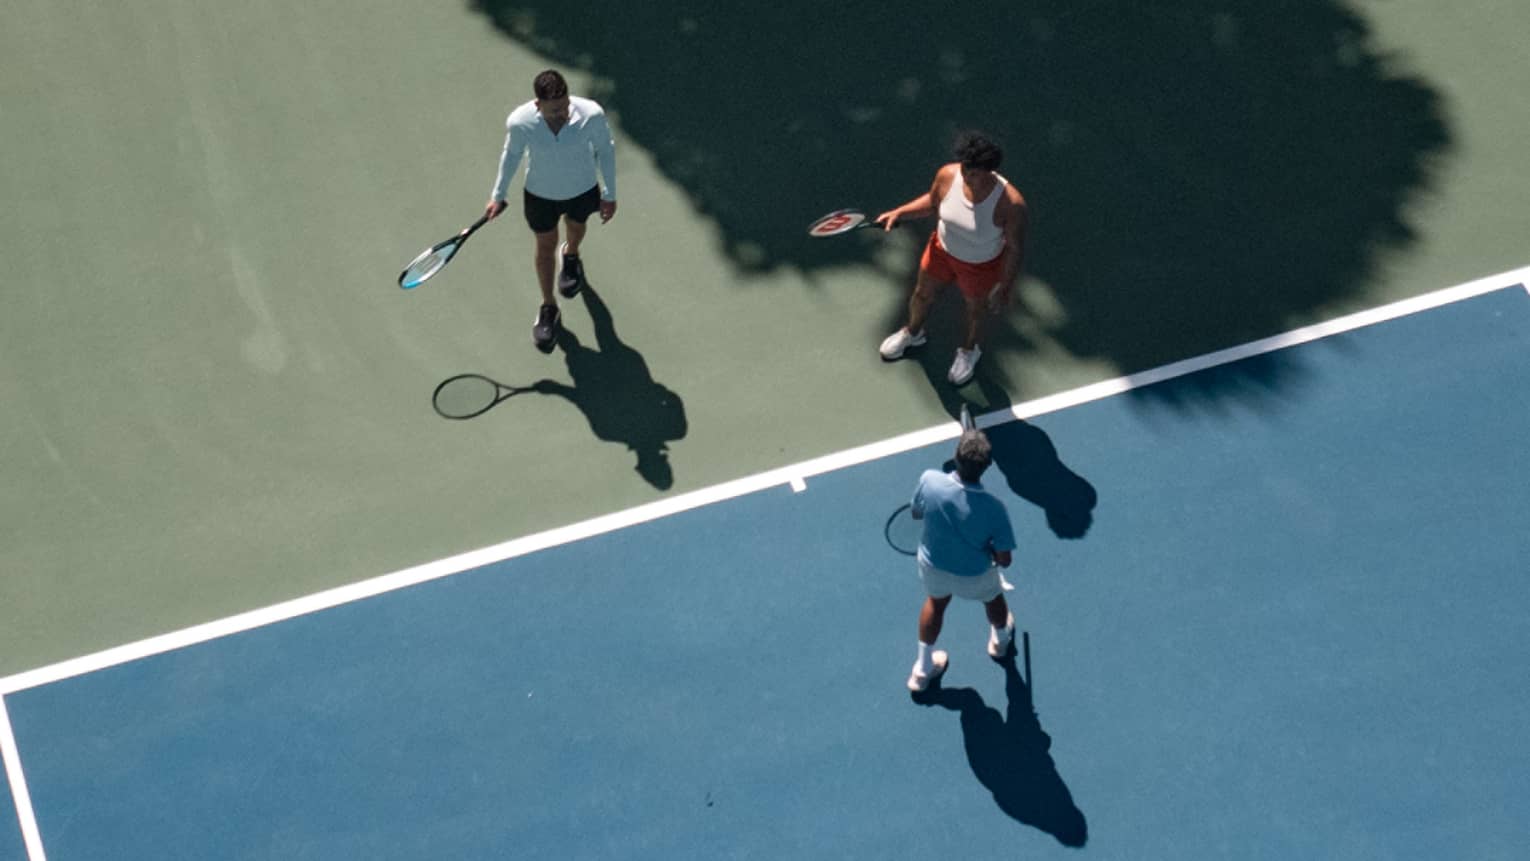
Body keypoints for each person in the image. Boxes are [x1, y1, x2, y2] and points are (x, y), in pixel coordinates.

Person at [876, 132, 1028, 385]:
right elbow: (934, 202)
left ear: (990, 171)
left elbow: (1014, 248)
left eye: (975, 172)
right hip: (940, 251)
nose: (967, 175)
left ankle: (969, 351)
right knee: (921, 294)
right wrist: (900, 212)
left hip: (981, 265)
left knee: (974, 312)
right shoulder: (948, 174)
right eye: (966, 168)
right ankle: (913, 333)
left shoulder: (1011, 204)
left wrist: (1005, 286)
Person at [484, 69, 618, 351]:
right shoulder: (521, 123)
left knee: (577, 228)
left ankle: (571, 256)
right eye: (554, 109)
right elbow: (511, 156)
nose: (562, 113)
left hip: (582, 190)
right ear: (537, 104)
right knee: (545, 246)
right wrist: (498, 194)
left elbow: (605, 150)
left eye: (565, 105)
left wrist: (610, 193)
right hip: (540, 196)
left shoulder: (591, 114)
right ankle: (548, 307)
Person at [906, 427, 1018, 693]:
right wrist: (990, 549)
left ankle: (922, 672)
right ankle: (1000, 644)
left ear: (955, 456)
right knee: (994, 598)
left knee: (936, 603)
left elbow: (916, 513)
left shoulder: (929, 480)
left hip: (933, 566)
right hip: (975, 574)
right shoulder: (994, 508)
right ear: (987, 466)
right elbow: (1005, 560)